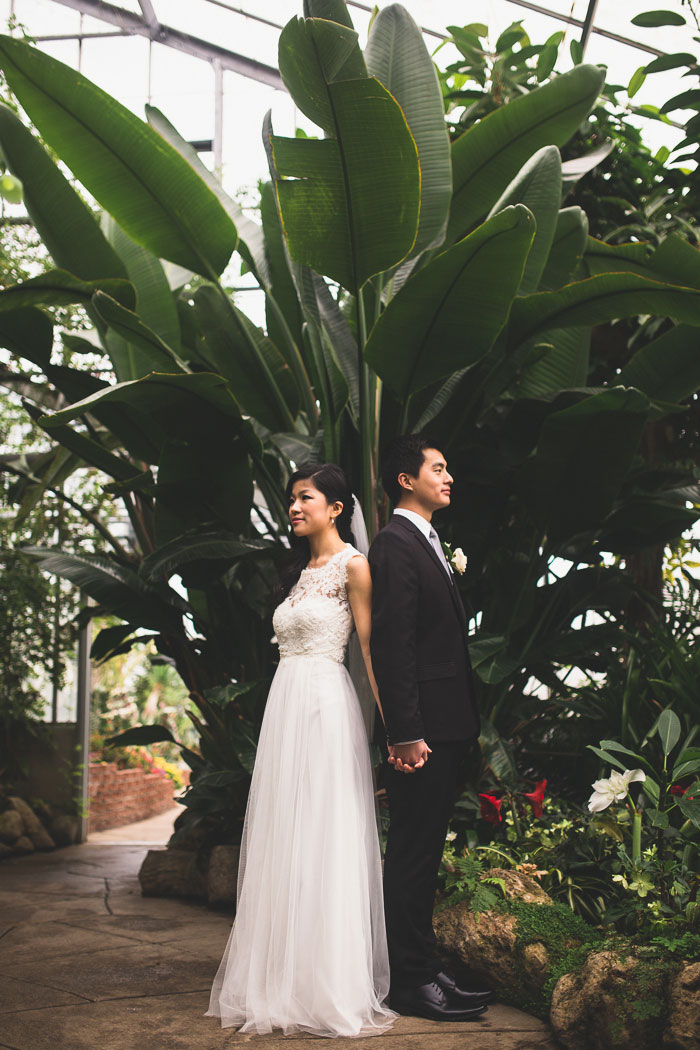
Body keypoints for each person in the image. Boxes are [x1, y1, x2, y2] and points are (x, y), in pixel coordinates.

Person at [206, 463, 396, 1038]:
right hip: (284, 710)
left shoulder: (353, 566)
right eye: (291, 498)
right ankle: (278, 982)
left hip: (323, 706)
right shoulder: (299, 571)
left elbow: (371, 651)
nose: (294, 506)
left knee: (322, 832)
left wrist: (396, 730)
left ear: (336, 508)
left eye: (305, 497)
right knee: (284, 835)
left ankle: (326, 986)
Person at [368, 435, 492, 1022]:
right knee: (414, 853)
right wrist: (404, 732)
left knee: (424, 853)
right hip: (422, 733)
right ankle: (409, 981)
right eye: (437, 469)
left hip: (445, 724)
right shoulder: (394, 544)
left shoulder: (427, 540)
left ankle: (422, 963)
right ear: (405, 479)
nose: (449, 477)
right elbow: (395, 646)